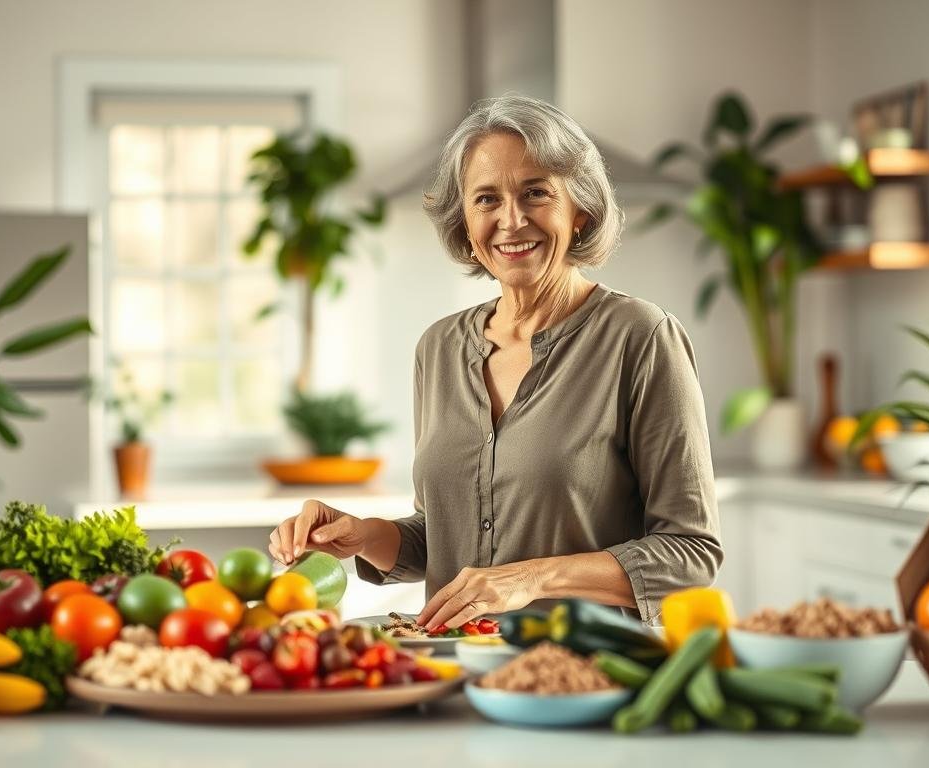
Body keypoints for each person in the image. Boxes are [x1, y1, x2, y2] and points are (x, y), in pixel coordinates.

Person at [269, 93, 721, 629]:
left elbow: (690, 555)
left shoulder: (640, 337)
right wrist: (364, 535)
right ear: (464, 223)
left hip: (581, 663)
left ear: (579, 211)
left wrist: (532, 578)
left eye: (536, 193)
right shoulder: (438, 348)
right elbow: (444, 537)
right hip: (451, 659)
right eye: (487, 199)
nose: (512, 220)